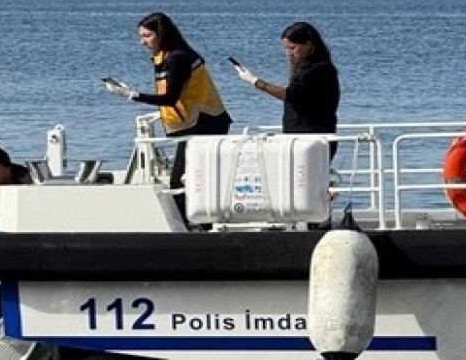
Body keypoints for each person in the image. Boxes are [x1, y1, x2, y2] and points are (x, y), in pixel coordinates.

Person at [103, 12, 232, 223]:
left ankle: (189, 226)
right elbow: (178, 95)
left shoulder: (179, 57)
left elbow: (170, 97)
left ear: (161, 34)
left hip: (206, 124)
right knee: (189, 178)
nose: (142, 42)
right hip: (195, 124)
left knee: (180, 181)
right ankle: (198, 223)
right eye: (141, 36)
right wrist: (160, 112)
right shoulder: (165, 56)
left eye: (147, 36)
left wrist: (131, 95)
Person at [230, 21, 341, 158]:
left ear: (309, 45)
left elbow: (291, 95)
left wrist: (255, 82)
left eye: (293, 48)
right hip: (299, 137)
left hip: (312, 138)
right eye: (286, 48)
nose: (289, 53)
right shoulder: (303, 68)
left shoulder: (319, 70)